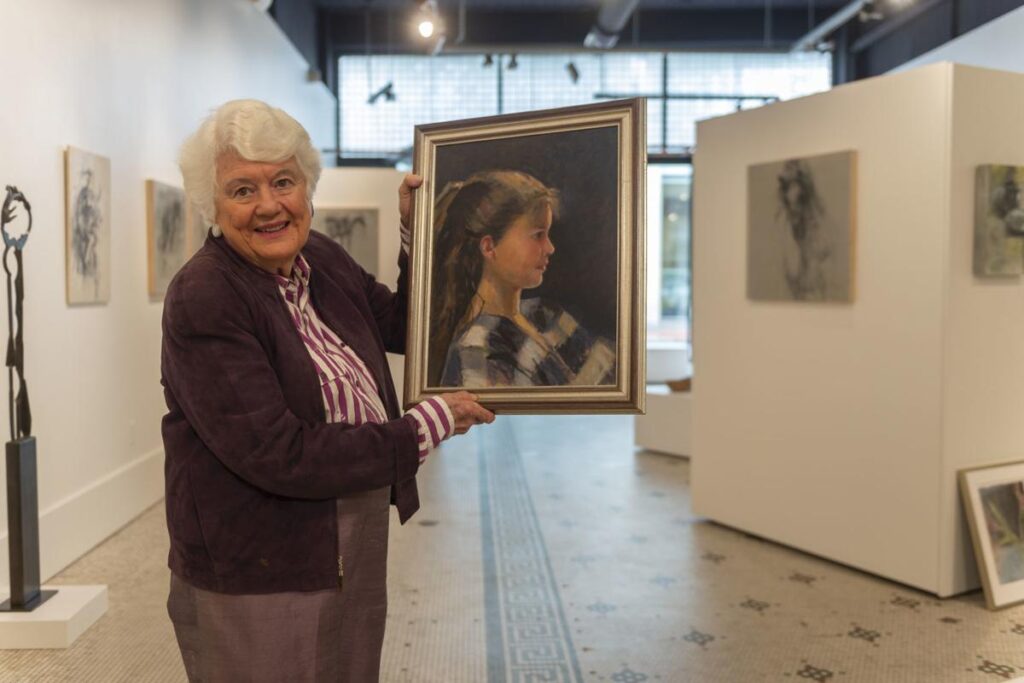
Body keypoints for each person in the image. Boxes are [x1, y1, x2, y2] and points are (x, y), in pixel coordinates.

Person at [161, 99, 494, 682]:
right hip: (262, 556)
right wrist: (423, 426)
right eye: (242, 190)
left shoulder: (323, 257)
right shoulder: (205, 295)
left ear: (307, 186)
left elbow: (405, 327)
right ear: (211, 207)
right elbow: (278, 452)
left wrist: (424, 236)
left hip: (352, 516)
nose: (269, 205)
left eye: (283, 181)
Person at [429, 170, 615, 387]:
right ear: (489, 247)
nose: (550, 248)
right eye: (538, 235)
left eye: (548, 235)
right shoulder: (477, 349)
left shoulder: (545, 315)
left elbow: (610, 381)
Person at [776, 159, 832, 300]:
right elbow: (791, 267)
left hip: (814, 289)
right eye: (788, 187)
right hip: (794, 290)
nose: (793, 192)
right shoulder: (783, 219)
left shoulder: (814, 214)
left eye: (795, 185)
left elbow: (824, 249)